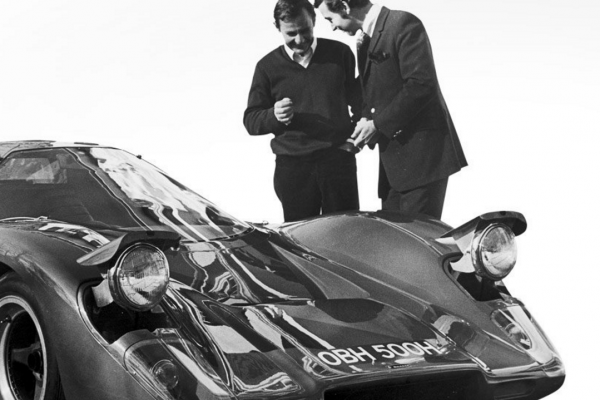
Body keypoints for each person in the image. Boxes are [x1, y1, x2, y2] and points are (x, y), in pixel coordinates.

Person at [315, 0, 467, 220]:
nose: (332, 27)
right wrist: (363, 121)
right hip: (394, 168)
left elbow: (421, 84)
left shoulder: (403, 23)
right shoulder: (364, 40)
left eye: (330, 19)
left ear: (344, 6)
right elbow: (374, 90)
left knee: (415, 238)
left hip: (423, 161)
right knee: (391, 236)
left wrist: (377, 125)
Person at [243, 0, 362, 223]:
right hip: (293, 169)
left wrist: (352, 142)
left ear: (314, 20)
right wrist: (274, 116)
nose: (299, 39)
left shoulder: (340, 54)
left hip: (338, 163)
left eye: (305, 30)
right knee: (301, 239)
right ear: (277, 27)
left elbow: (359, 103)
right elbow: (251, 120)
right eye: (291, 33)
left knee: (347, 233)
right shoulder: (266, 67)